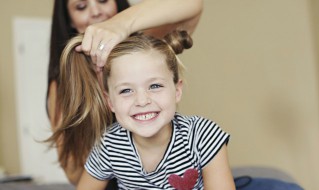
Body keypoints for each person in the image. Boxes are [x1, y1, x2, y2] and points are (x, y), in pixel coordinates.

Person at [46, 0, 203, 186]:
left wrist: (119, 24)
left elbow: (192, 4)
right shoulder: (64, 86)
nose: (95, 12)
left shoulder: (144, 47)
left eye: (103, 0)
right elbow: (74, 175)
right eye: (81, 7)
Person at [55, 30, 235, 189]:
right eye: (126, 90)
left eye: (155, 86)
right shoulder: (109, 146)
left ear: (177, 91)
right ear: (110, 102)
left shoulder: (202, 135)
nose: (142, 101)